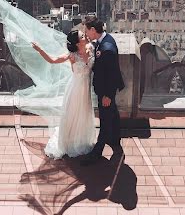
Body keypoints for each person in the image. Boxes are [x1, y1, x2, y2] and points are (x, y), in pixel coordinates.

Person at [31, 30, 96, 158]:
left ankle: (81, 140)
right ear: (77, 43)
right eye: (82, 36)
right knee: (73, 114)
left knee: (84, 114)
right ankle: (70, 141)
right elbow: (53, 60)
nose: (85, 36)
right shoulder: (72, 55)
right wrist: (40, 50)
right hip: (75, 89)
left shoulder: (91, 48)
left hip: (85, 90)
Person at [82, 19, 125, 165]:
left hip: (106, 90)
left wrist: (107, 95)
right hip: (105, 89)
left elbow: (111, 74)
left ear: (93, 30)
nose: (86, 34)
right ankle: (116, 140)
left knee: (105, 120)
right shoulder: (105, 40)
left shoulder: (106, 48)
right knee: (112, 113)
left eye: (87, 30)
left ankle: (97, 152)